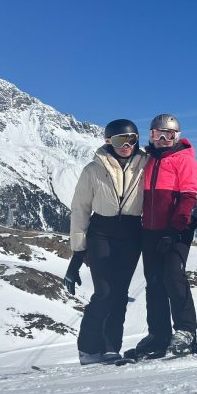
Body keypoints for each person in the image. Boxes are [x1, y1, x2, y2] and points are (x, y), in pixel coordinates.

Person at [67, 119, 147, 364]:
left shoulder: (146, 165)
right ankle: (88, 349)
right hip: (101, 231)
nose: (126, 145)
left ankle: (112, 347)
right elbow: (80, 209)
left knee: (120, 293)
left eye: (131, 139)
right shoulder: (93, 169)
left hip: (132, 233)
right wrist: (78, 251)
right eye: (120, 140)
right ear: (108, 141)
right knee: (104, 292)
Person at [128, 114, 197, 359]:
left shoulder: (184, 160)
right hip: (150, 229)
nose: (162, 139)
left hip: (177, 230)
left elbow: (188, 197)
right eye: (157, 134)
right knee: (154, 281)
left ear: (176, 137)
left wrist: (174, 229)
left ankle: (186, 331)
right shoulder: (148, 159)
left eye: (168, 135)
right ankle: (158, 334)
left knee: (173, 276)